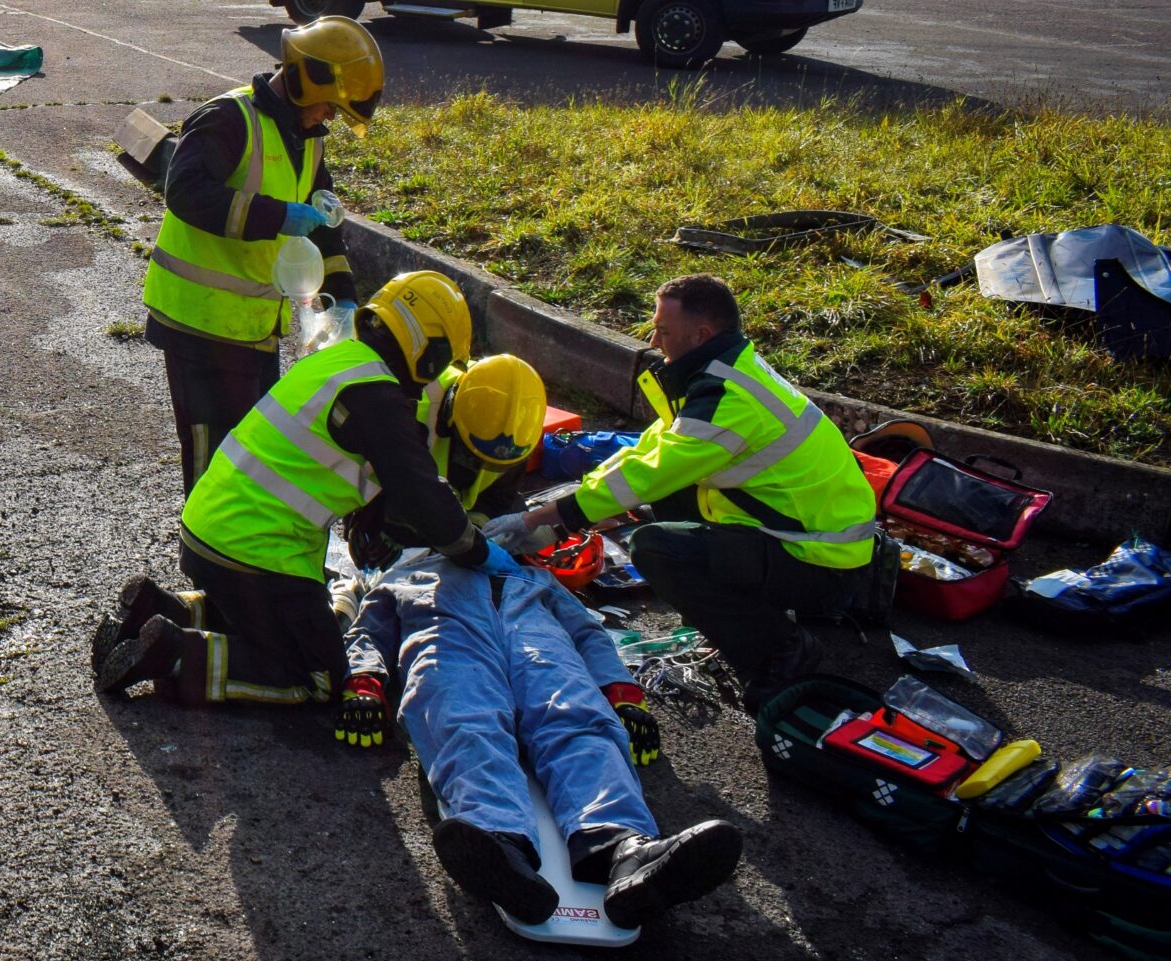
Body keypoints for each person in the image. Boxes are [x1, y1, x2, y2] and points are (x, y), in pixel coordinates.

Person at [94, 271, 512, 747]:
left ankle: (158, 610)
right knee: (318, 676)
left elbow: (355, 468)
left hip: (210, 532)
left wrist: (372, 521)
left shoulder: (341, 364)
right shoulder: (380, 397)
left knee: (265, 624)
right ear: (430, 350)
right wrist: (477, 550)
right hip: (258, 553)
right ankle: (175, 656)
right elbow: (422, 497)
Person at [516, 275, 880, 709]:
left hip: (824, 562)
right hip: (811, 534)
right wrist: (574, 500)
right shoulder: (722, 371)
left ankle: (783, 650)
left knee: (655, 548)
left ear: (701, 334)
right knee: (666, 499)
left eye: (663, 331)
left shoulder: (729, 398)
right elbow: (655, 449)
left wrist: (549, 519)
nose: (654, 339)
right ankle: (745, 609)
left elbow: (651, 473)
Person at [343, 549, 742, 928]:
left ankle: (625, 850)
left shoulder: (535, 577)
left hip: (540, 645)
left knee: (578, 721)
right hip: (448, 639)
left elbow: (588, 633)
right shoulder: (403, 576)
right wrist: (363, 683)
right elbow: (368, 631)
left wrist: (623, 694)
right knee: (466, 722)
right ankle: (499, 841)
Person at [141, 15, 382, 491]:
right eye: (329, 106)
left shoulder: (306, 142)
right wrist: (277, 217)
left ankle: (237, 553)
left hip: (254, 329)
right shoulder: (228, 119)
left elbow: (324, 232)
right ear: (302, 80)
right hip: (198, 323)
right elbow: (185, 193)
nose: (329, 117)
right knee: (214, 461)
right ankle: (204, 557)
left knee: (254, 454)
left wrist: (345, 300)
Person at [345, 353, 548, 573]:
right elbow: (368, 466)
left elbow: (499, 497)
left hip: (453, 509)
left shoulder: (517, 436)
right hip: (402, 493)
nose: (481, 467)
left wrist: (476, 530)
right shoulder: (412, 406)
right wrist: (364, 517)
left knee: (513, 521)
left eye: (494, 464)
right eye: (474, 456)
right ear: (452, 415)